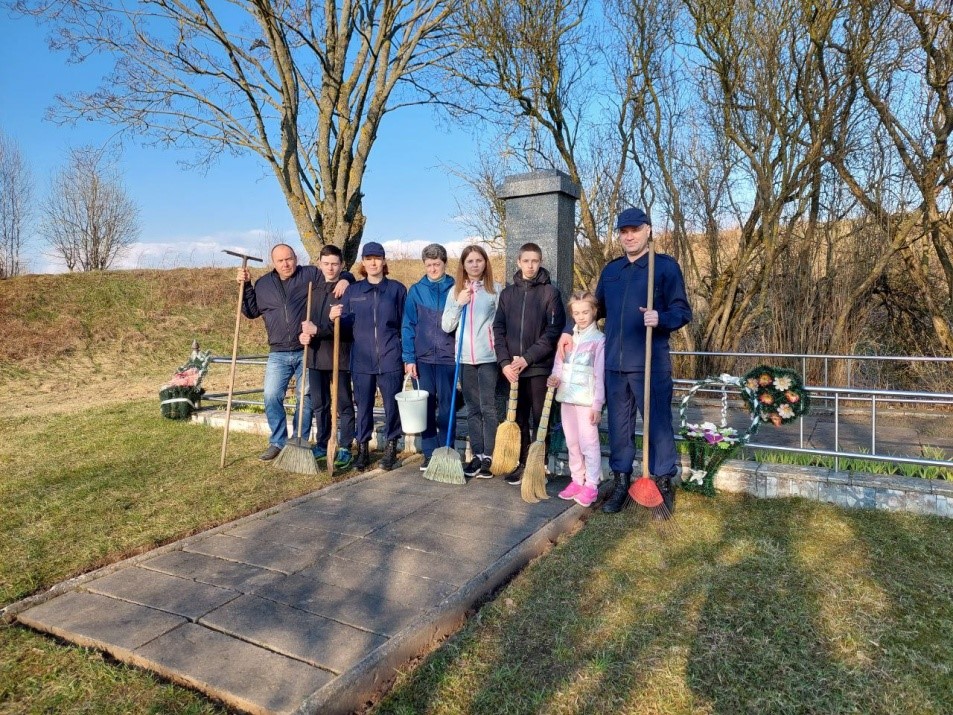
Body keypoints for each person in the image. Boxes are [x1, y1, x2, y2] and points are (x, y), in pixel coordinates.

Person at [558, 208, 691, 515]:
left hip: (650, 362)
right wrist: (569, 330)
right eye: (623, 231)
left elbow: (683, 311)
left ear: (648, 230)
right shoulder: (612, 271)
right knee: (619, 426)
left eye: (635, 229)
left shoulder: (664, 268)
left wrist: (662, 318)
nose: (629, 236)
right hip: (614, 366)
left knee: (658, 425)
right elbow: (592, 310)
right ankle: (620, 482)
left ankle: (663, 483)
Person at [238, 244, 347, 461]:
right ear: (274, 263)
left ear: (295, 258)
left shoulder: (309, 274)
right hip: (278, 351)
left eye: (289, 259)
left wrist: (346, 278)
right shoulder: (263, 284)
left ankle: (300, 441)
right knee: (271, 395)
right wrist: (245, 285)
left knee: (304, 397)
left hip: (306, 348)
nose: (286, 264)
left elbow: (332, 270)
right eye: (280, 261)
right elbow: (250, 312)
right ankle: (278, 441)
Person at [492, 242, 566, 485]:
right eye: (526, 261)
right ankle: (522, 463)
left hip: (538, 367)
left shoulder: (550, 293)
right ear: (518, 262)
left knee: (540, 418)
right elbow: (498, 328)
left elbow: (553, 332)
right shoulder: (507, 294)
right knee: (519, 418)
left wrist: (528, 358)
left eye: (535, 261)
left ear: (540, 261)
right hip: (513, 369)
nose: (531, 265)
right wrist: (504, 362)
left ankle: (538, 466)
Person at [334, 242, 407, 471]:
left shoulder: (396, 289)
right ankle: (362, 449)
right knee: (363, 406)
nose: (373, 262)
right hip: (362, 361)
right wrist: (334, 317)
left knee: (391, 406)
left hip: (390, 357)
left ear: (384, 261)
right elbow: (344, 327)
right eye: (369, 258)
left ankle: (391, 447)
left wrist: (404, 354)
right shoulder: (353, 291)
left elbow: (405, 324)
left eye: (378, 258)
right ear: (363, 262)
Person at [442, 244, 501, 478]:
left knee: (488, 407)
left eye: (479, 260)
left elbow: (500, 324)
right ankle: (476, 455)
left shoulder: (495, 290)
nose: (475, 264)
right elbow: (447, 325)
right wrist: (460, 302)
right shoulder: (455, 291)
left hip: (488, 357)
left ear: (485, 263)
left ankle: (489, 455)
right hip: (464, 358)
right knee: (473, 408)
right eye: (470, 261)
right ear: (463, 265)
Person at [299, 244, 356, 469]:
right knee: (320, 403)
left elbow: (349, 325)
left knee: (343, 403)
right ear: (319, 264)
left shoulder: (348, 290)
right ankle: (322, 443)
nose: (330, 268)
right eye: (326, 264)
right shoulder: (314, 289)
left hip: (338, 355)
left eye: (335, 264)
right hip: (315, 355)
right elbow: (306, 321)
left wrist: (319, 329)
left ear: (341, 265)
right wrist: (303, 334)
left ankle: (344, 446)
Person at [401, 244, 457, 472]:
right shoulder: (416, 291)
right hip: (423, 358)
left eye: (437, 264)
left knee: (447, 407)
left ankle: (447, 450)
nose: (433, 268)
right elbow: (408, 325)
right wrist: (409, 357)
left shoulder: (455, 287)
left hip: (448, 358)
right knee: (426, 406)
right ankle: (429, 452)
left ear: (444, 263)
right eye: (429, 265)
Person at [548, 291, 606, 507]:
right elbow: (559, 364)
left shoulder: (599, 341)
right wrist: (555, 378)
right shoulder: (567, 339)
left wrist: (597, 405)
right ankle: (576, 479)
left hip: (587, 401)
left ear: (594, 311)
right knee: (572, 441)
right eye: (576, 313)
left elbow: (600, 375)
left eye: (585, 312)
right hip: (566, 398)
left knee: (588, 442)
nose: (581, 317)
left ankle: (591, 484)